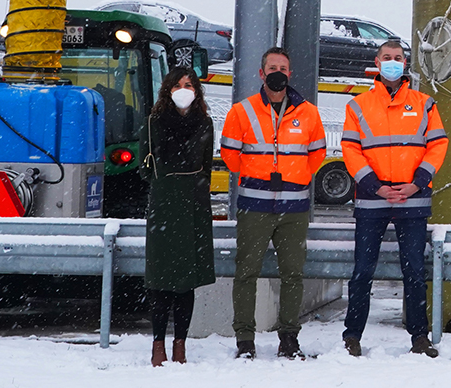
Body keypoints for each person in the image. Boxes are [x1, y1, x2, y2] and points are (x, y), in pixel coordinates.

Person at [341, 40, 448, 358]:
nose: (392, 62)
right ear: (377, 61)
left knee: (415, 271)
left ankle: (419, 336)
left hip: (412, 199)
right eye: (386, 58)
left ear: (405, 63)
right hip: (373, 199)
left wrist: (417, 183)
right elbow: (350, 149)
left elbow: (438, 145)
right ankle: (352, 335)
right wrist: (374, 185)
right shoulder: (358, 105)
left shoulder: (424, 103)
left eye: (397, 58)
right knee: (362, 271)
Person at [219, 47, 327, 359]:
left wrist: (298, 176)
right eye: (272, 67)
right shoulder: (242, 111)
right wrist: (255, 175)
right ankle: (245, 340)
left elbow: (318, 153)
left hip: (295, 209)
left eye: (283, 67)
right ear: (261, 73)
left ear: (289, 73)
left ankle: (289, 338)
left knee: (293, 275)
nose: (278, 71)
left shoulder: (308, 112)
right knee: (246, 273)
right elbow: (229, 155)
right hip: (254, 206)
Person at [139, 67, 216, 367]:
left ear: (197, 90)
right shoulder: (154, 121)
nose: (184, 90)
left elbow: (207, 165)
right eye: (177, 85)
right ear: (167, 90)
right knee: (160, 279)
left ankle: (180, 343)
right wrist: (165, 184)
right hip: (164, 203)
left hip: (194, 205)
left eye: (189, 84)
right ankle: (158, 343)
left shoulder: (205, 123)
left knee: (187, 280)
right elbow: (144, 166)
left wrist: (195, 187)